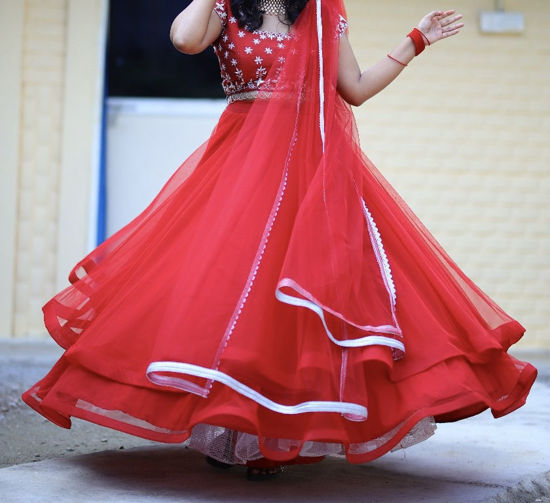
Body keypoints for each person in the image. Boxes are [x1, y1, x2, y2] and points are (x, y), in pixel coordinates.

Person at [23, 0, 537, 482]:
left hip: (310, 172)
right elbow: (183, 39)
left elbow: (351, 88)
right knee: (228, 296)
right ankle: (224, 429)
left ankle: (273, 436)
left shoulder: (318, 8)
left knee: (295, 305)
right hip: (241, 169)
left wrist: (415, 41)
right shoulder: (225, 7)